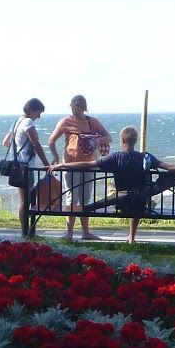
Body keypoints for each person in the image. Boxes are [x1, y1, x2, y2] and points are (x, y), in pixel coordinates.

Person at [54, 125, 175, 243]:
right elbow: (170, 167)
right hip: (139, 204)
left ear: (122, 140)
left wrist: (63, 165)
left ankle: (75, 225)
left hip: (121, 204)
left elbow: (88, 165)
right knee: (141, 193)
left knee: (114, 198)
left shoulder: (115, 157)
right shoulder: (146, 158)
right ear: (135, 141)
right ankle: (131, 237)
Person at [47, 95, 112, 240]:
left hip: (89, 165)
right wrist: (56, 158)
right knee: (71, 197)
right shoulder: (65, 121)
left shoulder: (92, 121)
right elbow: (51, 141)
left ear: (83, 107)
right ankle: (69, 232)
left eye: (77, 106)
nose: (74, 109)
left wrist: (94, 139)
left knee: (85, 198)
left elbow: (108, 137)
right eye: (73, 106)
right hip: (70, 165)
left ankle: (85, 232)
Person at [3, 98, 54, 236]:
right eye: (38, 112)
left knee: (25, 199)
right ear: (32, 109)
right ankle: (26, 231)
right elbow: (36, 144)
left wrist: (19, 145)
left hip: (17, 165)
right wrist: (46, 164)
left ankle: (26, 230)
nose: (39, 116)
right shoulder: (28, 122)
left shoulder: (16, 121)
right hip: (25, 166)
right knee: (26, 201)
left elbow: (5, 142)